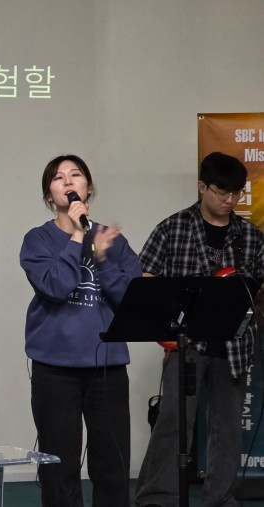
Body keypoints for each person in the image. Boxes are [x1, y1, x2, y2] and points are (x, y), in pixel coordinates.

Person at [134, 152, 264, 507]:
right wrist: (165, 321)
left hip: (233, 346)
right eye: (222, 192)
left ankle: (220, 498)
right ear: (202, 187)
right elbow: (145, 279)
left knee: (227, 427)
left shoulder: (251, 237)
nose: (230, 200)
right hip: (186, 344)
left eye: (236, 193)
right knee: (174, 421)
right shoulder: (172, 228)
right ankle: (157, 498)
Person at [20, 154, 141, 506]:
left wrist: (103, 259)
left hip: (107, 365)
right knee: (60, 465)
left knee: (112, 463)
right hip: (55, 367)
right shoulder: (38, 240)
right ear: (49, 195)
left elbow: (131, 300)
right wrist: (78, 237)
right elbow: (55, 286)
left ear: (88, 189)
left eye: (76, 175)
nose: (68, 181)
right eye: (59, 178)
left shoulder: (113, 241)